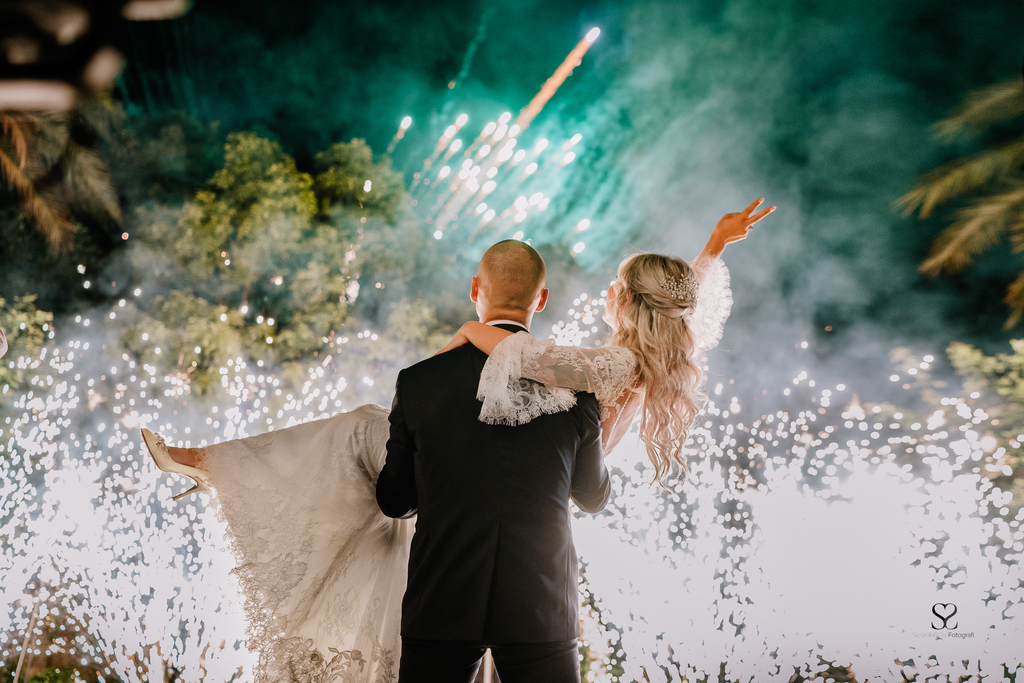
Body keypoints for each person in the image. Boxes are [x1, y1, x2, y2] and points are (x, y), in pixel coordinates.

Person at [141, 198, 772, 682]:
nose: (607, 290)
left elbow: (527, 352)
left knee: (361, 427)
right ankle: (224, 465)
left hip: (521, 512)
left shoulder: (600, 370)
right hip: (545, 540)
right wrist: (713, 247)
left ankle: (226, 466)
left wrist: (469, 335)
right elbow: (678, 300)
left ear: (631, 305)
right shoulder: (645, 351)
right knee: (366, 427)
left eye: (617, 286)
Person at [376, 239, 610, 682]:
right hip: (540, 605)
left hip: (442, 597)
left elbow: (395, 500)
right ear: (541, 299)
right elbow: (593, 497)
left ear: (474, 289)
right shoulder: (576, 387)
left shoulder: (419, 382)